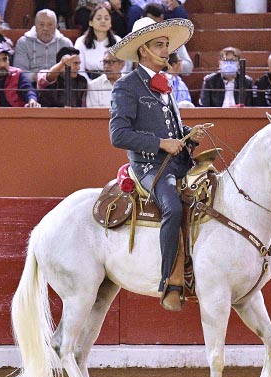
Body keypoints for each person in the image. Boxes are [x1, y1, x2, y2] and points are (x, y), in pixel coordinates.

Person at [109, 17, 204, 311]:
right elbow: (118, 135)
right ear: (143, 51)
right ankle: (168, 281)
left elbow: (168, 126)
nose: (166, 51)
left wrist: (186, 133)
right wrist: (161, 143)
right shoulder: (126, 86)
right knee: (173, 206)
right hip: (149, 167)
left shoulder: (165, 84)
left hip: (177, 163)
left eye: (167, 45)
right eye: (159, 45)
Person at [13, 9, 72, 82]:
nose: (45, 28)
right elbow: (19, 71)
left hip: (59, 84)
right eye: (41, 24)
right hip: (32, 84)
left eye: (50, 24)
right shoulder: (23, 42)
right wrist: (39, 77)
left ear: (56, 26)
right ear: (35, 26)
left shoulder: (65, 43)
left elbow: (72, 70)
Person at [142, 2, 192, 74]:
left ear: (161, 19)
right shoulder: (134, 40)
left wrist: (173, 64)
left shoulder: (173, 37)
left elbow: (188, 67)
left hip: (169, 80)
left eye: (152, 21)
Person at [74, 4, 121, 80]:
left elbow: (124, 68)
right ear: (91, 22)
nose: (103, 21)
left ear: (111, 23)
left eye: (106, 19)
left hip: (114, 82)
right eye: (99, 18)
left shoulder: (118, 41)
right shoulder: (81, 42)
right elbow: (79, 69)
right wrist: (90, 85)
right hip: (89, 83)